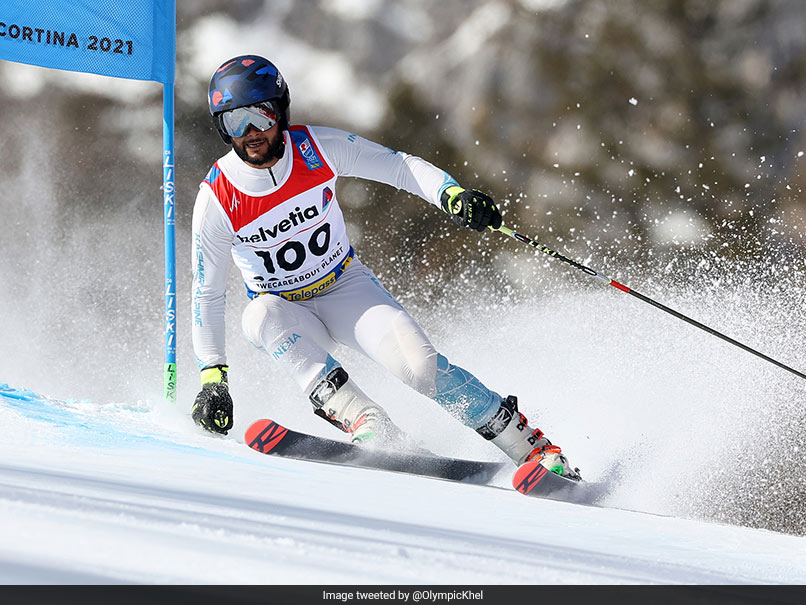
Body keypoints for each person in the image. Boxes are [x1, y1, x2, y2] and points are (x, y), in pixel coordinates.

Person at [191, 54, 579, 478]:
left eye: (258, 117)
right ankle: (369, 423)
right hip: (285, 308)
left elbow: (398, 165)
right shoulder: (217, 197)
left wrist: (451, 194)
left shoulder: (316, 148)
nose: (249, 134)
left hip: (344, 289)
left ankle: (531, 449)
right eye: (233, 122)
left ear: (280, 112)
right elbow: (207, 291)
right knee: (258, 314)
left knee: (421, 368)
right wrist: (213, 378)